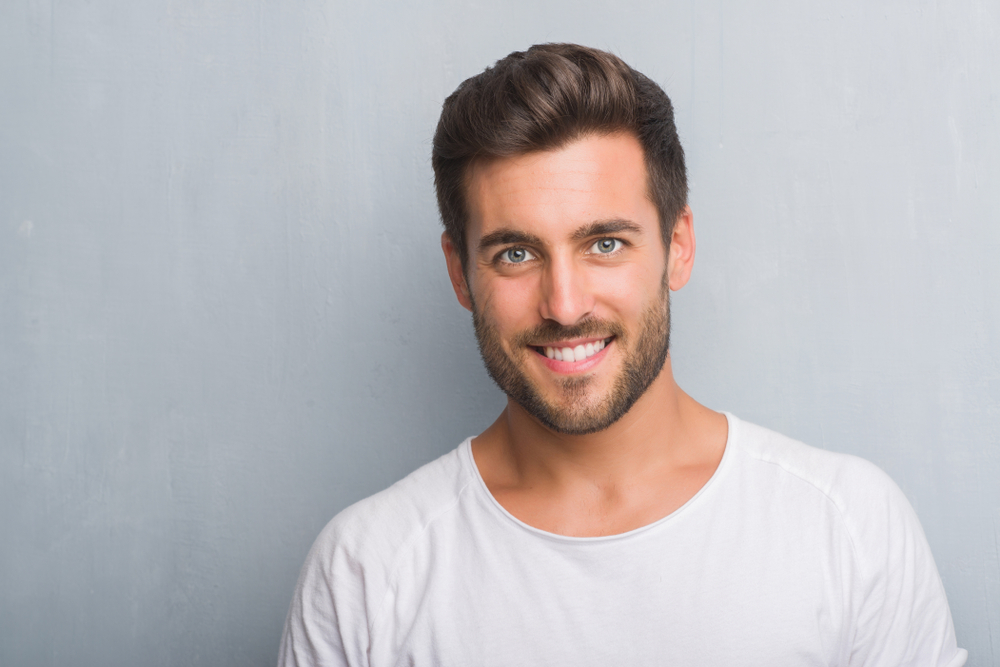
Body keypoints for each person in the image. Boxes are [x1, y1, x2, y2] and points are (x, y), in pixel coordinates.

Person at [278, 43, 966, 666]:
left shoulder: (848, 528)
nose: (565, 304)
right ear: (460, 273)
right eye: (515, 253)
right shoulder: (366, 573)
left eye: (604, 243)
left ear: (678, 246)